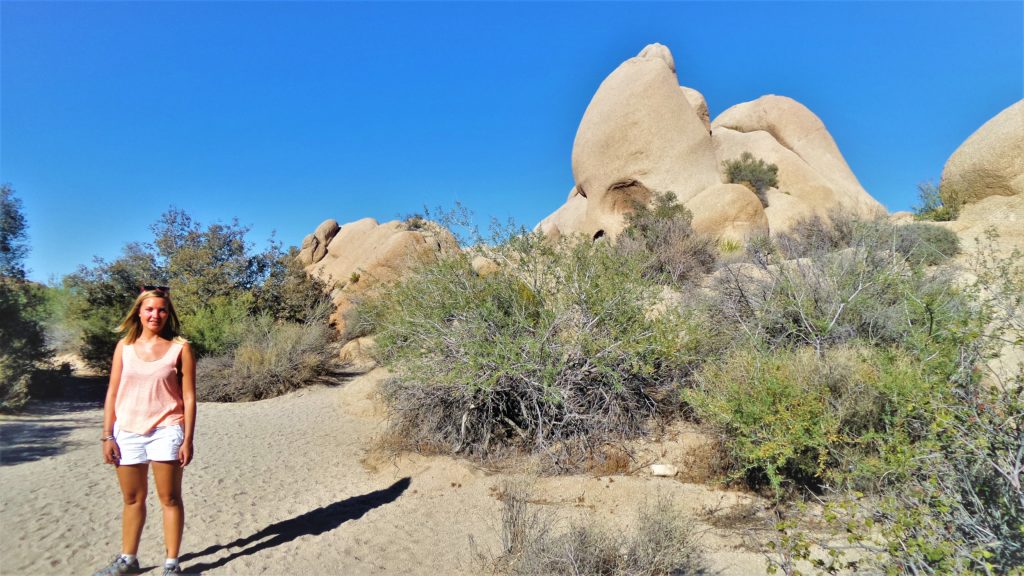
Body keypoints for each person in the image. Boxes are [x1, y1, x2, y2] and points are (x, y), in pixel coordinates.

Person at [94, 287, 196, 576]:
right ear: (138, 312)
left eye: (162, 310)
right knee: (132, 499)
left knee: (170, 498)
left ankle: (171, 564)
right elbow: (112, 392)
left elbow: (188, 396)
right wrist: (107, 435)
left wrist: (187, 438)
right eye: (149, 309)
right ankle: (128, 560)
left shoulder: (180, 348)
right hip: (127, 431)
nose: (156, 315)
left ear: (169, 314)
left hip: (167, 429)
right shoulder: (123, 347)